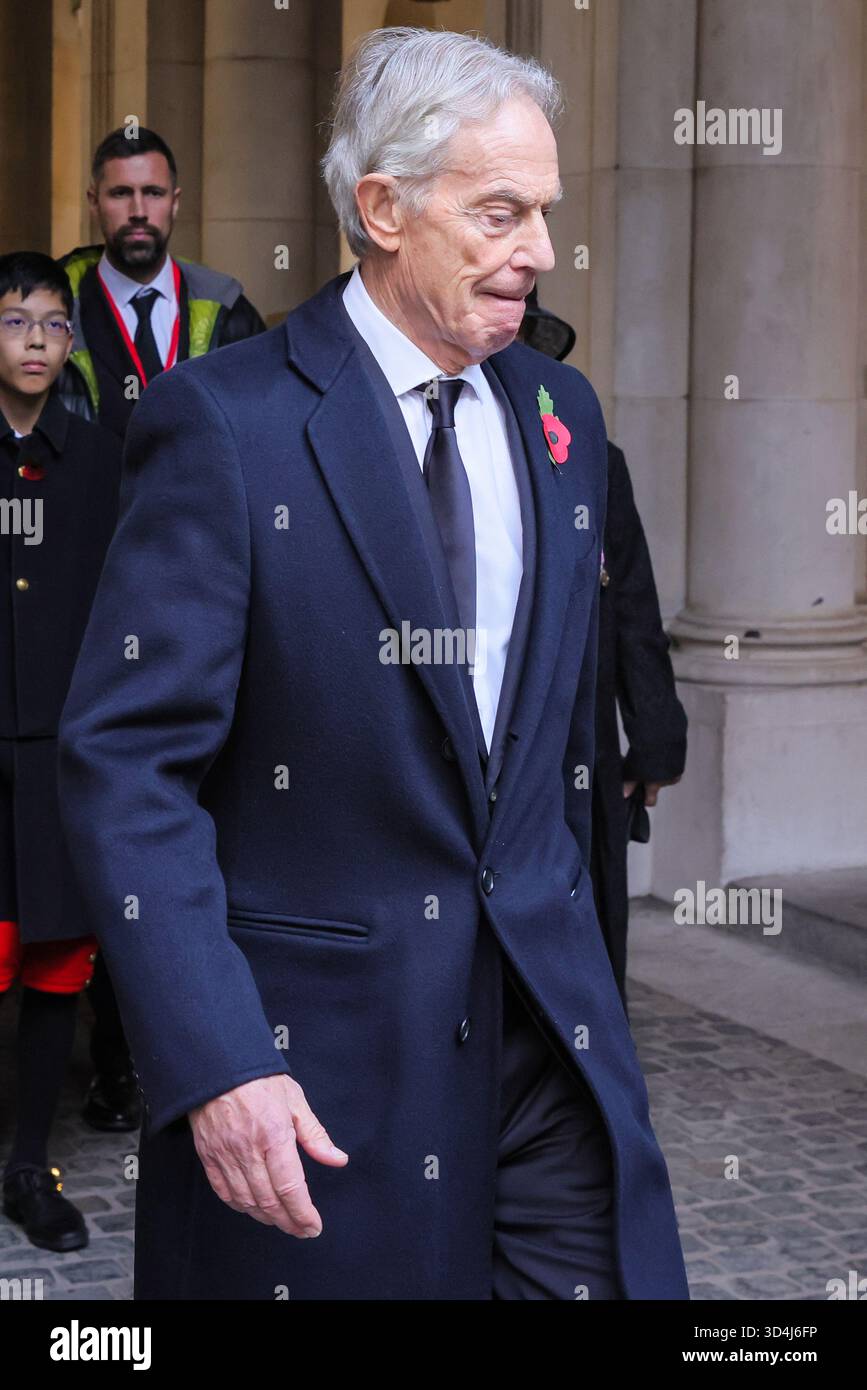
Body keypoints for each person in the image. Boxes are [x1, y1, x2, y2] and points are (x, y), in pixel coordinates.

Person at [58, 27, 689, 1300]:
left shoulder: (563, 418)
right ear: (384, 209)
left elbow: (551, 752)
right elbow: (128, 765)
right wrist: (220, 1060)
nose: (542, 253)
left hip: (548, 1059)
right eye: (500, 212)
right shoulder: (227, 425)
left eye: (547, 214)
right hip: (323, 1072)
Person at [56, 126, 268, 1135]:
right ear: (93, 204)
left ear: (176, 201)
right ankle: (115, 1062)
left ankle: (191, 1039)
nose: (135, 212)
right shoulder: (54, 305)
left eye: (151, 194)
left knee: (202, 829)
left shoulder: (224, 309)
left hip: (203, 613)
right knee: (110, 824)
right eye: (117, 196)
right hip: (82, 605)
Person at [518, 293, 688, 1014]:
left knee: (583, 912)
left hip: (577, 737)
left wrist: (651, 743)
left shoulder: (593, 460)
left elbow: (630, 606)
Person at [0, 252, 122, 1251]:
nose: (34, 342)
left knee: (52, 970)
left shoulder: (96, 460)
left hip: (58, 760)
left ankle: (25, 1165)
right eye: (13, 322)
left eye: (51, 325)